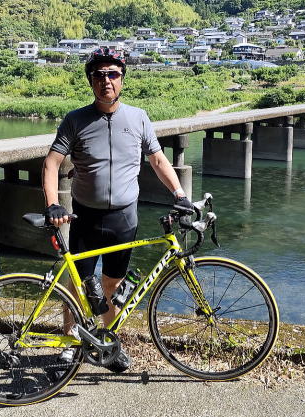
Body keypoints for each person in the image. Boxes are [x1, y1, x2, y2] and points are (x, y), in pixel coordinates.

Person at [42, 47, 193, 373]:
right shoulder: (75, 120)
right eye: (99, 75)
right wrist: (53, 203)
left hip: (123, 217)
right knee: (77, 283)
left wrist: (179, 194)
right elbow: (52, 163)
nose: (106, 81)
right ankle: (70, 342)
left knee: (112, 283)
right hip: (85, 215)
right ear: (90, 80)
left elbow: (157, 159)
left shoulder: (138, 117)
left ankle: (107, 341)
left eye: (113, 74)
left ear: (122, 79)